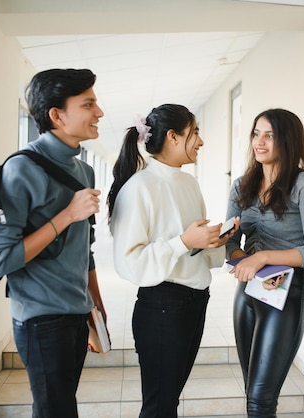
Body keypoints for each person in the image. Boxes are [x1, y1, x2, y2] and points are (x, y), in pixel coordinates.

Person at [0, 68, 107, 418]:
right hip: (40, 319)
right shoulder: (20, 169)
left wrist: (94, 305)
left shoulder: (83, 171)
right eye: (88, 104)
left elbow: (86, 246)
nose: (99, 112)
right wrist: (67, 214)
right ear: (57, 115)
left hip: (76, 313)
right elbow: (2, 261)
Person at [107, 104, 237, 417]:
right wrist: (183, 242)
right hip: (163, 308)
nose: (201, 142)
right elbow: (129, 263)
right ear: (172, 137)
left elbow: (195, 248)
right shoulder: (139, 188)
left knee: (169, 401)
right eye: (195, 133)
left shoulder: (188, 183)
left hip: (195, 302)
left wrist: (214, 242)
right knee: (159, 406)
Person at [225, 108, 304, 417]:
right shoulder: (241, 185)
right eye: (256, 133)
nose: (260, 142)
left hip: (287, 288)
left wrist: (263, 257)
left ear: (288, 141)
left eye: (270, 135)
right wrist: (242, 258)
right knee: (252, 393)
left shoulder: (303, 184)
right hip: (248, 290)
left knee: (261, 399)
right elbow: (230, 240)